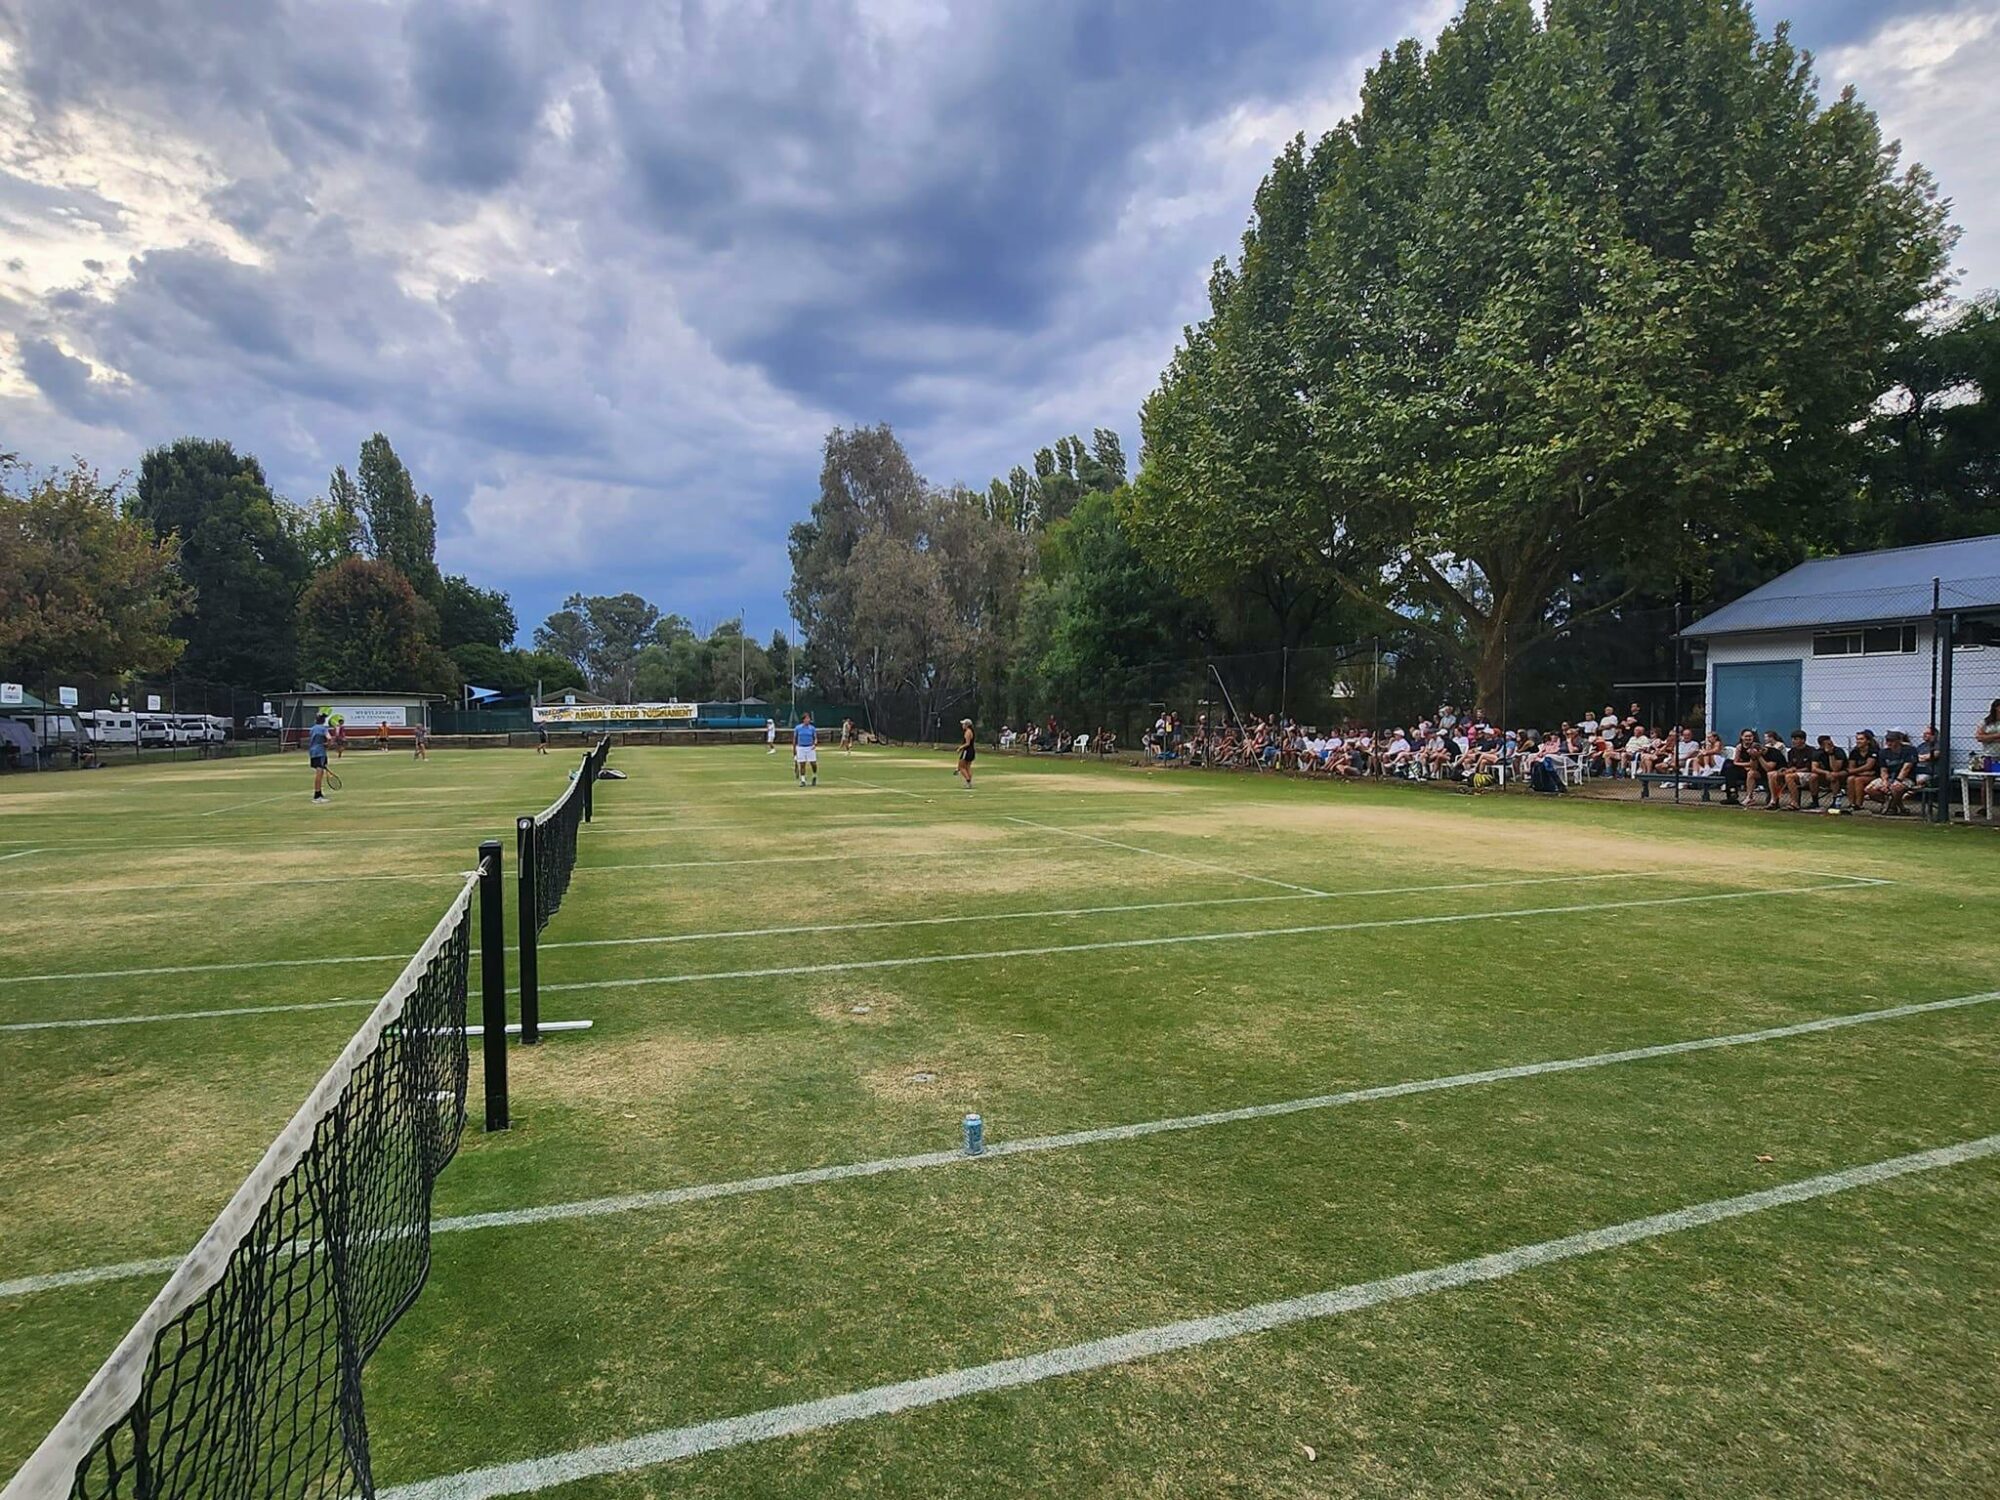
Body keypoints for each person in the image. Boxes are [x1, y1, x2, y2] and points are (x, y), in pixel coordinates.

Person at [309, 712, 331, 803]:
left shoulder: (312, 729)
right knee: (319, 772)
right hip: (320, 752)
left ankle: (319, 793)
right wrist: (328, 745)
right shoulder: (323, 728)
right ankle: (317, 795)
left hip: (313, 752)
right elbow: (329, 738)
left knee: (320, 772)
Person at [793, 711, 818, 787]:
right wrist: (794, 749)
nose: (808, 720)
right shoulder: (798, 728)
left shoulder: (812, 728)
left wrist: (815, 744)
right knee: (802, 764)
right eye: (807, 718)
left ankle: (814, 775)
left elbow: (815, 738)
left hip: (810, 747)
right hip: (800, 747)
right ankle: (803, 780)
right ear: (803, 719)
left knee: (813, 763)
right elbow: (795, 738)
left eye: (809, 718)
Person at [956, 717, 976, 789]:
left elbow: (967, 743)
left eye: (963, 724)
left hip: (967, 751)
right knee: (967, 767)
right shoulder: (971, 731)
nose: (962, 725)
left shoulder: (968, 732)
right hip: (971, 751)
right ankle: (969, 783)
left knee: (961, 767)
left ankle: (968, 781)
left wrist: (960, 748)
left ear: (967, 725)